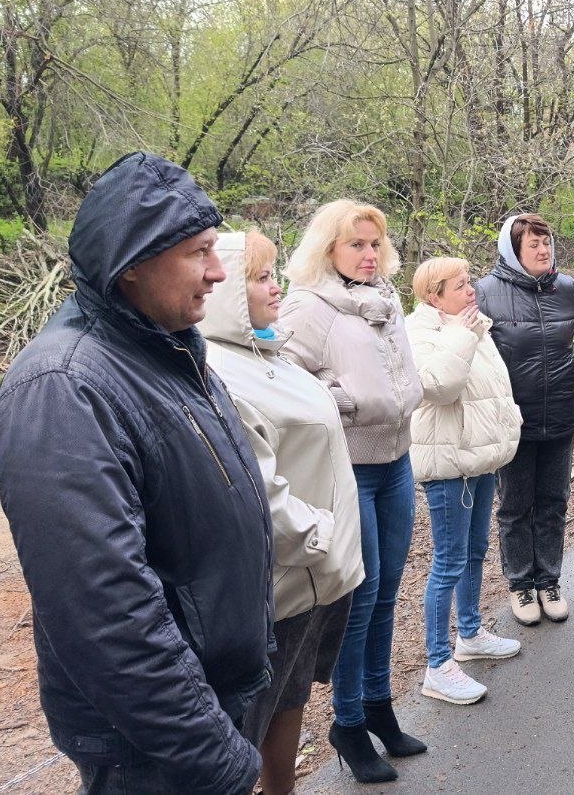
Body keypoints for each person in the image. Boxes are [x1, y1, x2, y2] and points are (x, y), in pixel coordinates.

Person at [0, 152, 272, 794]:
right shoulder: (64, 386)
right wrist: (212, 755)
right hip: (152, 746)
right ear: (131, 264)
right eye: (199, 252)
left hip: (207, 701)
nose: (219, 271)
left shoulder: (164, 347)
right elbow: (104, 609)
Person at [200, 230, 365, 795]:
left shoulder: (269, 354)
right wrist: (322, 536)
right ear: (224, 291)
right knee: (248, 718)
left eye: (274, 274)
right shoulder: (218, 372)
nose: (277, 288)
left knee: (290, 697)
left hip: (316, 575)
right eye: (261, 277)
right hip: (281, 579)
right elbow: (254, 490)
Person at [280, 200, 424, 784]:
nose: (369, 254)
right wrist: (341, 398)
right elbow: (282, 376)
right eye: (355, 245)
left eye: (374, 244)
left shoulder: (386, 297)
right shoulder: (308, 305)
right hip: (351, 469)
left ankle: (378, 706)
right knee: (359, 600)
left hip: (398, 461)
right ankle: (347, 722)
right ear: (328, 248)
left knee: (387, 592)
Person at [476, 213, 574, 625]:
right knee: (515, 506)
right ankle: (520, 585)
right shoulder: (485, 292)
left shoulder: (565, 287)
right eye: (533, 244)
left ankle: (548, 581)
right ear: (512, 250)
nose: (543, 249)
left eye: (546, 242)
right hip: (513, 421)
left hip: (561, 415)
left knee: (553, 502)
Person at [406, 257, 524, 705]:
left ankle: (470, 634)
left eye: (469, 282)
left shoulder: (473, 326)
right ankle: (437, 665)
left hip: (478, 457)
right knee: (448, 561)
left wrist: (508, 424)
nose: (471, 290)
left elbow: (493, 390)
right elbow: (440, 386)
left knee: (475, 550)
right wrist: (463, 334)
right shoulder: (419, 332)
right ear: (434, 295)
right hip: (447, 463)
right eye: (460, 285)